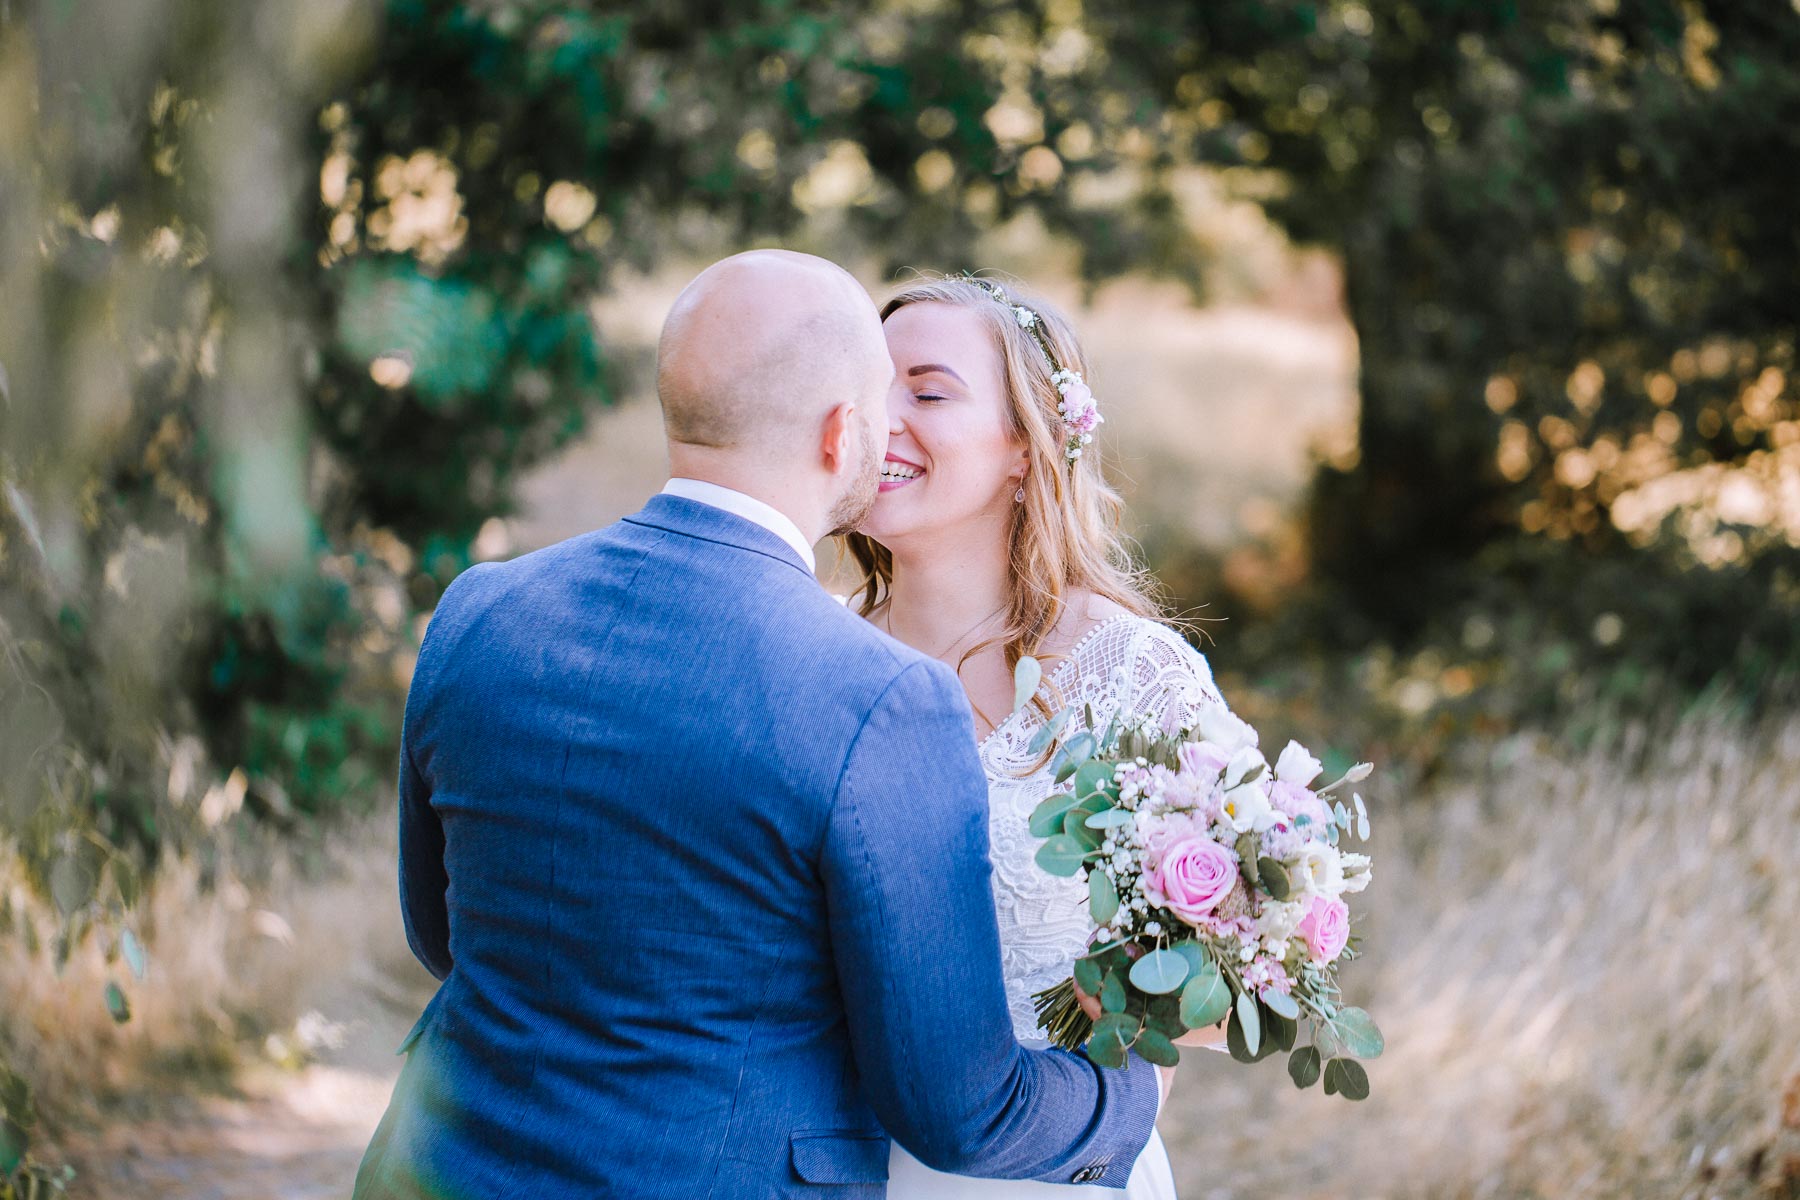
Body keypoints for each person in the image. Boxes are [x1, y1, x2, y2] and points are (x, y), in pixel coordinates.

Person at [351, 249, 1166, 1200]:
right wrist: (1126, 1101)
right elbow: (958, 1112)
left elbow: (443, 934)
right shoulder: (875, 692)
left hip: (438, 1168)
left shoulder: (480, 612)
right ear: (839, 434)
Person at [844, 273, 1235, 1200]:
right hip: (829, 1164)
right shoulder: (812, 652)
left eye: (928, 391)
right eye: (868, 388)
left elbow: (1225, 976)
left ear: (1025, 444)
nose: (882, 418)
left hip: (1056, 1171)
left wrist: (1144, 1022)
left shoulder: (1136, 674)